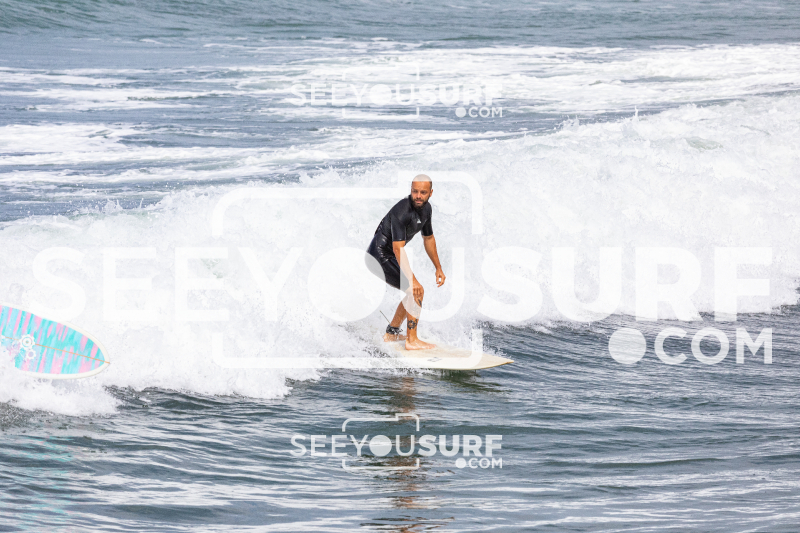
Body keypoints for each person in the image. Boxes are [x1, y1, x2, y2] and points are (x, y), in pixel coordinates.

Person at [365, 175, 446, 350]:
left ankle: (391, 334)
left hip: (389, 255)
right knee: (416, 291)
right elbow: (398, 248)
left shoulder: (426, 209)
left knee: (413, 292)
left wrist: (438, 267)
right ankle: (412, 340)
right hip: (378, 257)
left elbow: (428, 238)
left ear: (430, 193)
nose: (418, 196)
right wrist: (412, 279)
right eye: (415, 191)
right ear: (410, 190)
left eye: (423, 192)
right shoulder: (402, 210)